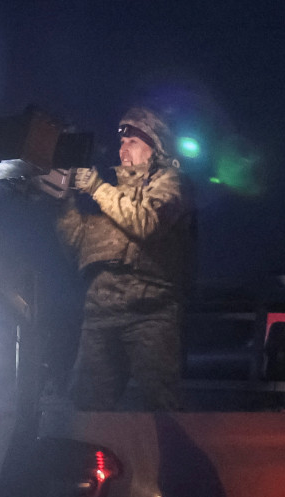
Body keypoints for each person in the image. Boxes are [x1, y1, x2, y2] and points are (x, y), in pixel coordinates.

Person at [55, 107, 197, 410]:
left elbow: (145, 221)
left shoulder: (172, 184)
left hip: (150, 312)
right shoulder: (111, 198)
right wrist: (63, 200)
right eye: (121, 143)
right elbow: (77, 245)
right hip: (100, 312)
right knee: (85, 410)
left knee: (161, 407)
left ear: (154, 146)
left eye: (131, 141)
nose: (122, 149)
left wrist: (96, 188)